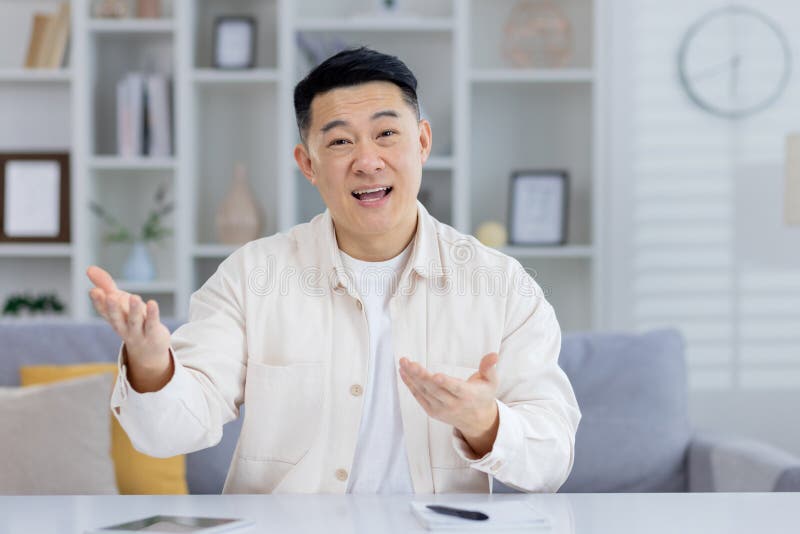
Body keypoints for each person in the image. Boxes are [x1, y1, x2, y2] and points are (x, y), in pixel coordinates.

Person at [86, 47, 580, 494]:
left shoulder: (500, 284)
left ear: (423, 142)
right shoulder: (250, 276)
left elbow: (553, 458)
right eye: (340, 142)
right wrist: (150, 364)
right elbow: (167, 434)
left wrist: (484, 422)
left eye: (387, 134)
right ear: (308, 163)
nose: (368, 161)